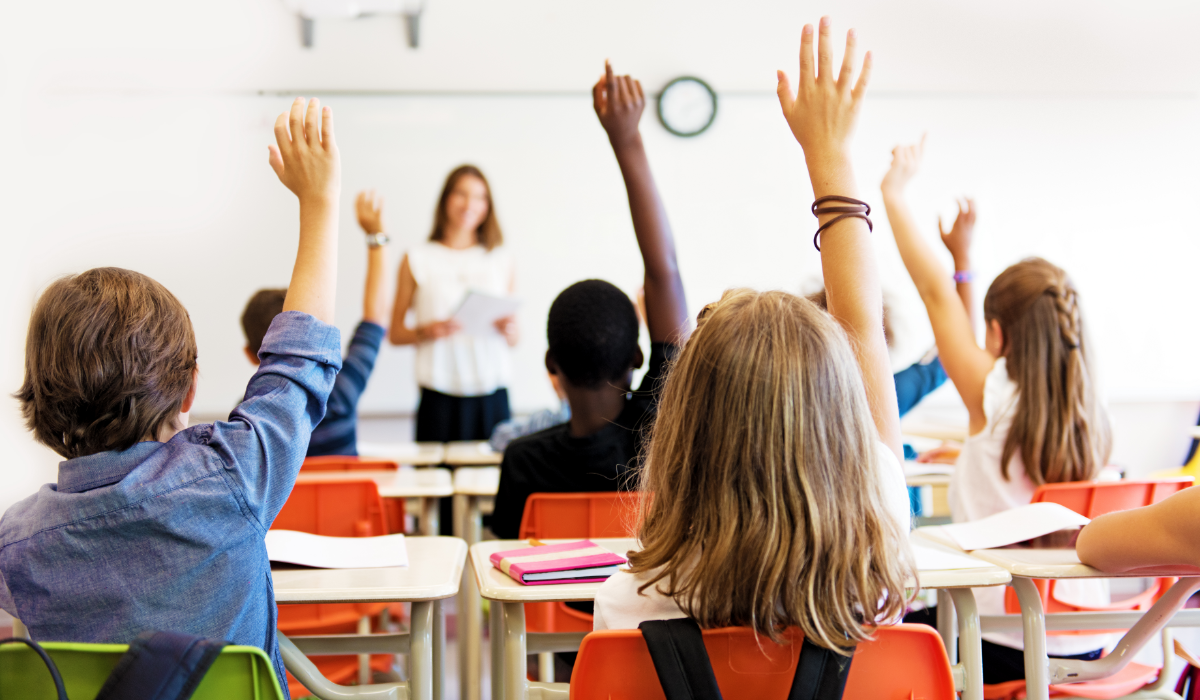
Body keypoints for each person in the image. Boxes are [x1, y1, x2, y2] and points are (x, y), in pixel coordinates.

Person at [593, 19, 915, 655]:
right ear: (839, 412)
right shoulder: (877, 572)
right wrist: (830, 156)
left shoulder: (632, 602)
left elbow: (862, 336)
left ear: (684, 426)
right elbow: (865, 335)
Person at [0, 97, 342, 692]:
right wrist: (320, 202)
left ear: (43, 393)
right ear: (188, 386)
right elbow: (298, 363)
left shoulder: (15, 546)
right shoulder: (229, 478)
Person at [881, 137, 1112, 681]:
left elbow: (935, 294)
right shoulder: (1092, 414)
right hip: (1092, 645)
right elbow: (951, 304)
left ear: (997, 333)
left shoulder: (993, 393)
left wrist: (894, 191)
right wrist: (964, 258)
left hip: (1000, 646)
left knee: (886, 629)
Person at [489, 61, 690, 540]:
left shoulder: (523, 460)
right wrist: (627, 140)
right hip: (647, 617)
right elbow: (665, 272)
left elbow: (505, 569)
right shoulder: (661, 438)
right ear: (638, 357)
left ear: (550, 365)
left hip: (551, 619)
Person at [241, 189, 392, 457]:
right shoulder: (341, 394)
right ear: (309, 337)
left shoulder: (247, 420)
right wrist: (375, 237)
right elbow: (376, 317)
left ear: (252, 354)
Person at [384, 167, 518, 443]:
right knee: (435, 481)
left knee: (493, 481)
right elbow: (395, 333)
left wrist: (510, 331)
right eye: (461, 194)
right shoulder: (417, 258)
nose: (470, 205)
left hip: (492, 392)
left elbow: (514, 338)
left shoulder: (500, 259)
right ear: (446, 198)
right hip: (439, 394)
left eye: (480, 197)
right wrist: (427, 331)